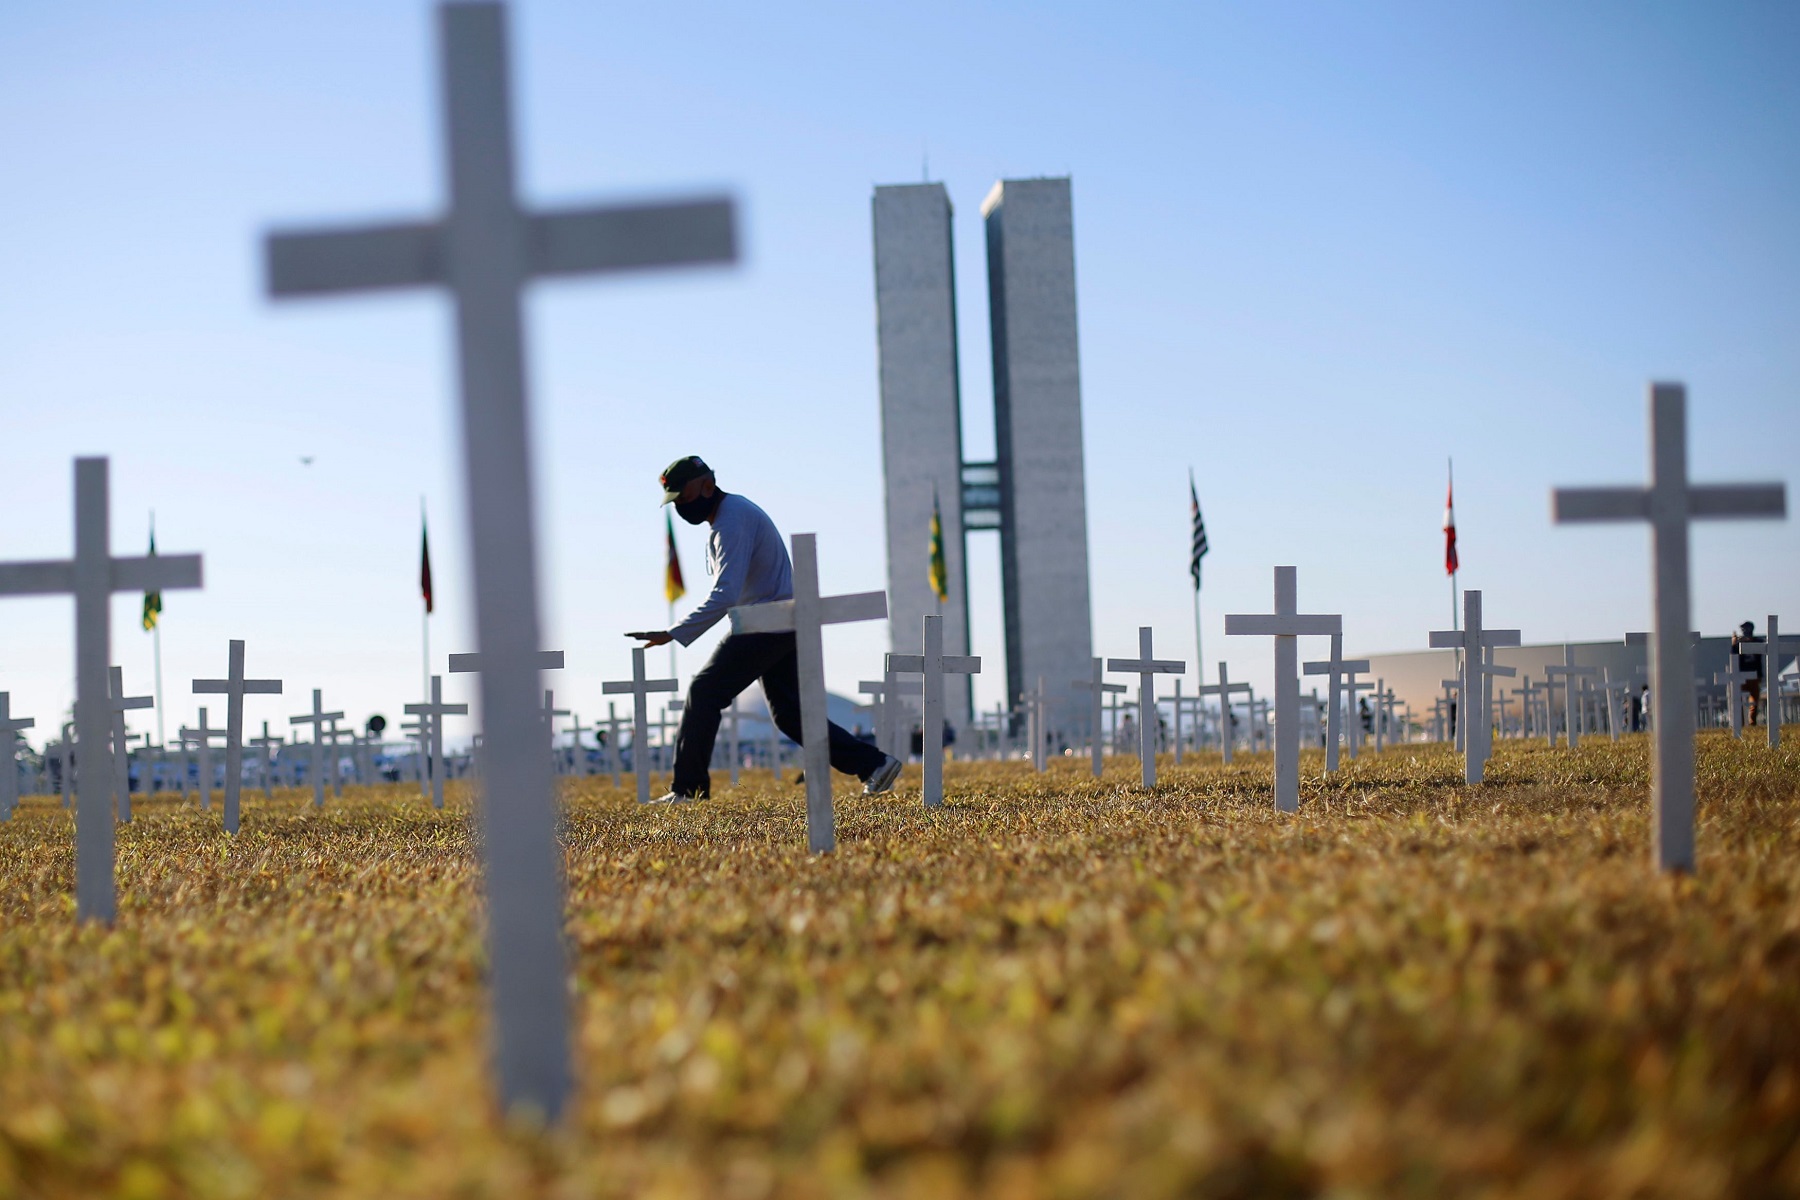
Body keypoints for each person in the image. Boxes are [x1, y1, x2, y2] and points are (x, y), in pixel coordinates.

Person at [626, 456, 903, 804]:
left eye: (684, 496)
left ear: (708, 486)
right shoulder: (727, 518)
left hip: (765, 623)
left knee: (704, 692)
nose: (681, 506)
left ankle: (688, 791)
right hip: (779, 621)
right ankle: (875, 764)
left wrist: (675, 632)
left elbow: (726, 593)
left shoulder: (732, 520)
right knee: (789, 714)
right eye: (675, 500)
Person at [1731, 621, 1765, 726]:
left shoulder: (1758, 642)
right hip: (1741, 675)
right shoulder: (1738, 643)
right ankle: (1740, 723)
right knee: (1738, 700)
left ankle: (1752, 721)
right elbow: (1733, 655)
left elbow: (1763, 646)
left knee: (1754, 700)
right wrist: (1734, 643)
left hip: (1755, 675)